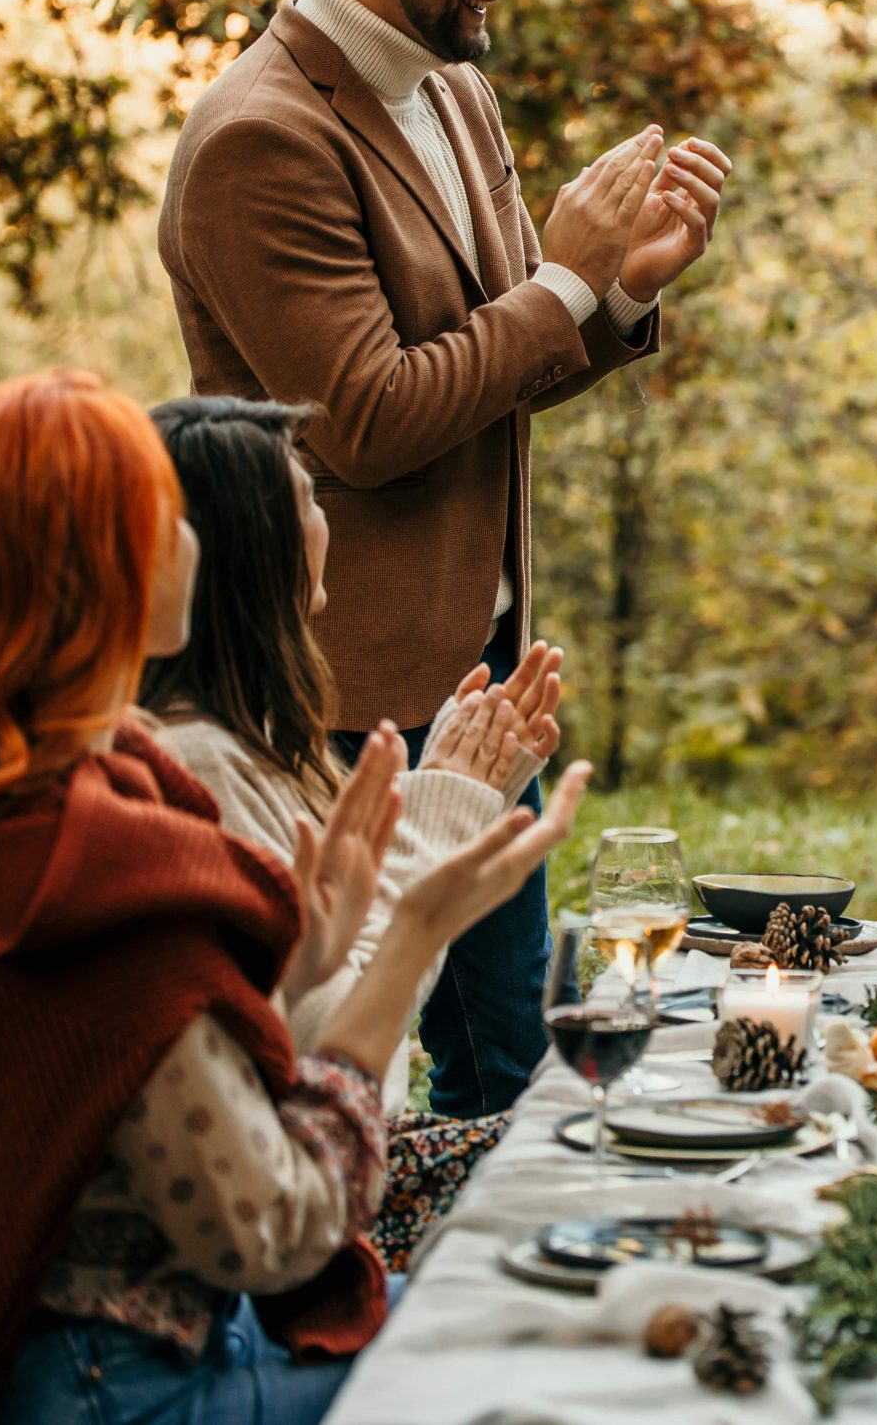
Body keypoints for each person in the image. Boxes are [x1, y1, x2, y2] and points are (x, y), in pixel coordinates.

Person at [0, 371, 591, 1425]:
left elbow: (139, 1051)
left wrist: (308, 954)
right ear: (98, 566)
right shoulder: (86, 865)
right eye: (160, 515)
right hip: (118, 1392)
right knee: (554, 1364)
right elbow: (278, 1231)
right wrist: (411, 936)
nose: (190, 541)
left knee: (522, 1309)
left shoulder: (26, 801)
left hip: (74, 1371)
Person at [159, 0, 730, 1118]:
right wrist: (562, 283)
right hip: (340, 688)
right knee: (369, 1058)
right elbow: (364, 420)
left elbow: (495, 367)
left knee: (510, 1059)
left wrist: (619, 289)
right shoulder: (260, 137)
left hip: (473, 676)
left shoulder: (456, 92)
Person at [141, 394, 564, 1269]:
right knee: (569, 1183)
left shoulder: (253, 745)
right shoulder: (200, 769)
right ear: (254, 548)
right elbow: (326, 1052)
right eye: (307, 496)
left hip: (308, 1179)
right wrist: (443, 816)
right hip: (294, 1219)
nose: (327, 518)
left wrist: (453, 790)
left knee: (577, 1153)